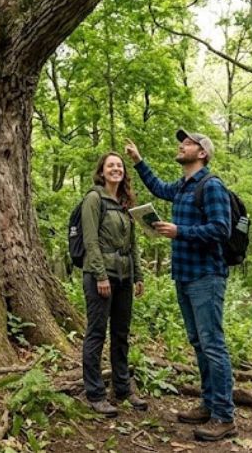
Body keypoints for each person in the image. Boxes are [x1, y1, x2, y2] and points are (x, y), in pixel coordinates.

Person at [125, 131, 236, 442]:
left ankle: (224, 416)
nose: (181, 145)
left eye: (188, 143)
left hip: (206, 276)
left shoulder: (211, 185)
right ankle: (208, 404)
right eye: (182, 142)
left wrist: (179, 231)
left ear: (202, 153)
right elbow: (159, 188)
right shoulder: (184, 186)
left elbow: (221, 229)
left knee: (212, 345)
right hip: (184, 276)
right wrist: (139, 161)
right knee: (199, 343)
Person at [80, 152, 146, 416]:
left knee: (121, 334)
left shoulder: (125, 203)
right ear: (102, 171)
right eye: (111, 165)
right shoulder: (94, 199)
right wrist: (100, 276)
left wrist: (138, 276)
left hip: (124, 277)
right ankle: (95, 394)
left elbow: (133, 244)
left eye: (119, 165)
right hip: (100, 276)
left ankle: (122, 389)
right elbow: (90, 241)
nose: (116, 169)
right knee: (97, 333)